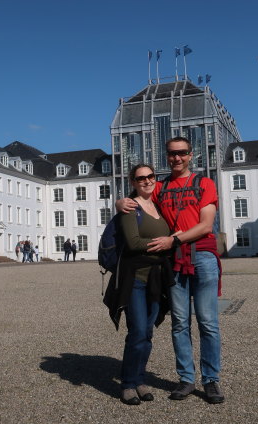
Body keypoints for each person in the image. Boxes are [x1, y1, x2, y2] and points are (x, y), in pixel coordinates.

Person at [116, 137, 224, 404]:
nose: (177, 158)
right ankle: (186, 379)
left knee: (208, 322)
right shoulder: (160, 187)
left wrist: (173, 240)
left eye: (182, 153)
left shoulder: (204, 183)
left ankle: (210, 380)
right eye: (172, 154)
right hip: (173, 260)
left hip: (202, 255)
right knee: (179, 323)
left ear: (191, 155)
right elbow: (138, 198)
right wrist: (118, 203)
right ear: (167, 156)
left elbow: (206, 226)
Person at [104, 164, 174, 405]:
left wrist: (171, 241)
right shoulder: (130, 207)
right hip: (135, 278)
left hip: (157, 278)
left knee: (148, 331)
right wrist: (166, 242)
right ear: (132, 182)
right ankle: (128, 384)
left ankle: (140, 379)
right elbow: (133, 243)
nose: (146, 181)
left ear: (155, 178)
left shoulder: (159, 206)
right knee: (137, 331)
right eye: (140, 178)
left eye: (150, 176)